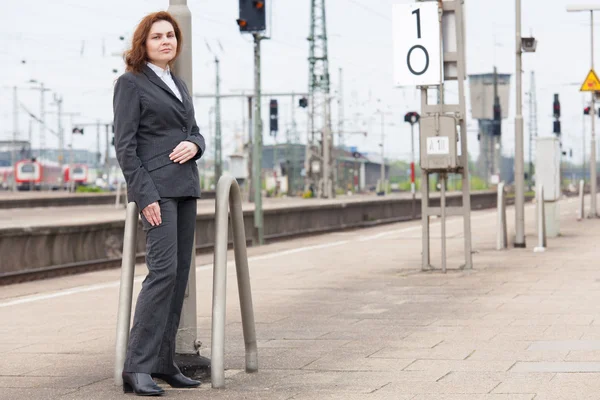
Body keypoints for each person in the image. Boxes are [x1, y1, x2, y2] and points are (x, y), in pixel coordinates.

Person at [113, 11, 205, 396]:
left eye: (171, 35)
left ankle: (165, 362)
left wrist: (196, 145)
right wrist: (145, 195)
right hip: (158, 191)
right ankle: (137, 367)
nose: (166, 41)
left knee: (179, 276)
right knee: (162, 274)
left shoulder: (178, 84)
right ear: (144, 44)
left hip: (185, 188)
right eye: (157, 37)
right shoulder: (131, 84)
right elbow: (125, 146)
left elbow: (195, 131)